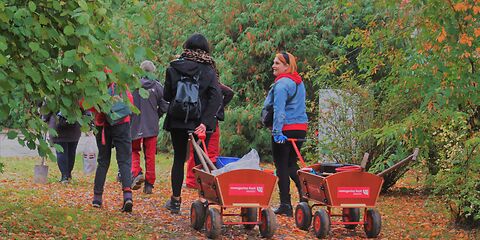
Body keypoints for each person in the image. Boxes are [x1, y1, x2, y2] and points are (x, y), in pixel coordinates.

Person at [163, 33, 222, 213]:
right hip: (199, 124)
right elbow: (216, 97)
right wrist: (205, 122)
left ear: (186, 47)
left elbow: (166, 96)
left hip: (177, 120)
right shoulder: (209, 70)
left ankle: (175, 201)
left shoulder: (174, 67)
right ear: (205, 49)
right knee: (201, 162)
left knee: (179, 159)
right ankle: (203, 200)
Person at [263, 52, 308, 217]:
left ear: (287, 67)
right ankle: (304, 195)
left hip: (285, 129)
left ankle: (285, 205)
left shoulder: (281, 85)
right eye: (273, 62)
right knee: (291, 164)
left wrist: (276, 132)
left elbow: (279, 110)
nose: (273, 66)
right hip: (300, 128)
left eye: (277, 63)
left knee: (281, 166)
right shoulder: (299, 82)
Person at [89, 67, 135, 212]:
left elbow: (88, 104)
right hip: (122, 123)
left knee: (103, 161)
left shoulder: (95, 80)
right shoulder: (119, 80)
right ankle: (128, 196)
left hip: (102, 124)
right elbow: (130, 101)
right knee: (124, 160)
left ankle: (97, 198)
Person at [130, 60, 169, 194]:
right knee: (150, 155)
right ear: (153, 72)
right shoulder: (158, 86)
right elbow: (165, 105)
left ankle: (136, 173)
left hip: (134, 124)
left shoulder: (133, 85)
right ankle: (149, 185)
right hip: (151, 125)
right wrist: (156, 115)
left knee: (133, 150)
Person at [185, 83, 234, 189]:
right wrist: (219, 109)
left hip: (199, 121)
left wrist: (219, 108)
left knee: (197, 151)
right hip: (211, 121)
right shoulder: (215, 85)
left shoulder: (199, 84)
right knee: (210, 152)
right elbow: (229, 93)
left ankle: (193, 181)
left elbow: (229, 93)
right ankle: (207, 180)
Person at [44, 111, 81, 183]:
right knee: (71, 153)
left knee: (61, 152)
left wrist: (44, 118)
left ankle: (65, 175)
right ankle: (68, 174)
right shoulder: (78, 99)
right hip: (74, 125)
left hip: (58, 126)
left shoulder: (53, 99)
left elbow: (47, 109)